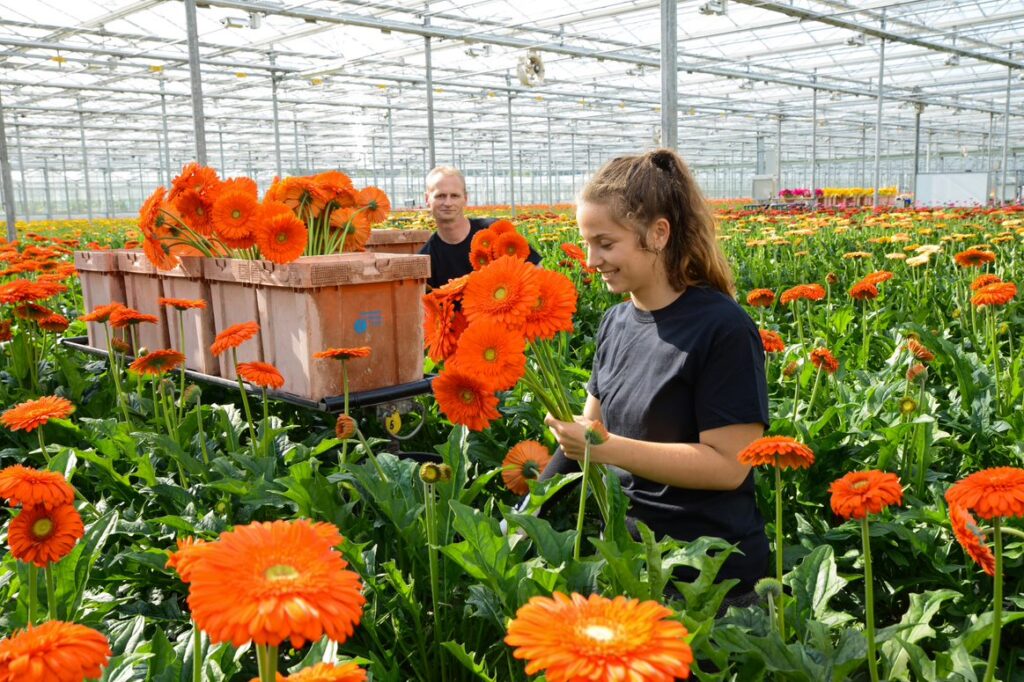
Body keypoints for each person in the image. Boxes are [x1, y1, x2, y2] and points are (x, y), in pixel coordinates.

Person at [543, 148, 770, 611]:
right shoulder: (616, 323)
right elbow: (588, 436)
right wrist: (522, 516)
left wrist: (606, 448)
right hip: (634, 565)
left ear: (658, 233)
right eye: (587, 243)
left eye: (605, 244)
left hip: (713, 583)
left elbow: (730, 467)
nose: (591, 260)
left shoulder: (723, 328)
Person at [418, 166, 540, 289]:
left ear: (465, 199)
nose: (448, 203)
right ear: (427, 199)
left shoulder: (495, 230)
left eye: (454, 196)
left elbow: (537, 269)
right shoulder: (427, 258)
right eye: (440, 196)